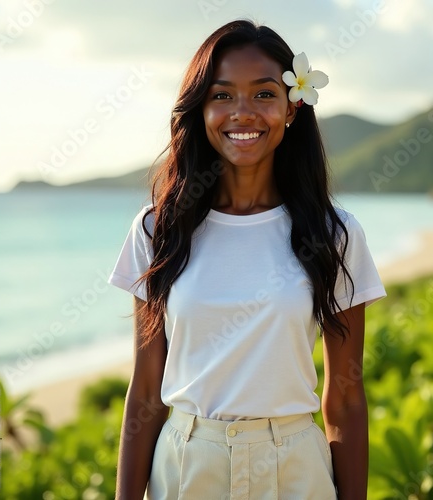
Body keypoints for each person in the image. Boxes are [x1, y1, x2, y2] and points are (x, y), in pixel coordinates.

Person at [108, 19, 386, 500]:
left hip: (296, 466)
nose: (243, 113)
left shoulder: (334, 234)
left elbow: (344, 397)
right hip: (186, 465)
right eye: (221, 95)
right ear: (200, 109)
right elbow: (146, 391)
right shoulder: (158, 231)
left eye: (263, 94)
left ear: (291, 108)